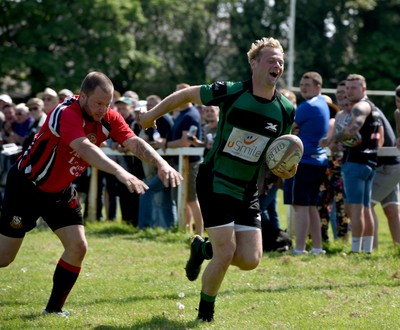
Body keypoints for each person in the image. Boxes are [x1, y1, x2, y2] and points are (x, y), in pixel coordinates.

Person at [0, 71, 182, 316]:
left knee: (78, 247)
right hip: (27, 187)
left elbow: (133, 141)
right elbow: (84, 148)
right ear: (82, 96)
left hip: (60, 191)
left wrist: (162, 163)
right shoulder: (65, 112)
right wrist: (121, 172)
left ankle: (53, 311)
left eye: (107, 104)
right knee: (4, 258)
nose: (103, 109)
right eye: (98, 103)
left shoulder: (108, 116)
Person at [140, 37, 296, 322]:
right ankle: (205, 316)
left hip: (247, 188)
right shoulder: (232, 92)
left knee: (250, 260)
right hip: (216, 180)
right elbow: (187, 94)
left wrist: (284, 168)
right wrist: (152, 114)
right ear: (254, 63)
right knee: (226, 252)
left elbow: (277, 152)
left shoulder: (285, 109)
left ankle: (202, 248)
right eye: (271, 59)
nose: (277, 65)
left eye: (281, 61)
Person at [320, 73, 383, 254]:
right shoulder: (373, 107)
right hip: (370, 162)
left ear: (364, 89)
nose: (349, 91)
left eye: (353, 87)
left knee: (356, 209)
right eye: (347, 88)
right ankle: (367, 249)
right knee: (364, 208)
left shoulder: (361, 106)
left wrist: (330, 140)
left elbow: (351, 130)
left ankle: (356, 250)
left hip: (356, 162)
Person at [283, 72, 329, 255]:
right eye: (301, 84)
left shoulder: (307, 106)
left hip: (305, 161)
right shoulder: (324, 104)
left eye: (307, 85)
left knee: (300, 206)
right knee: (311, 207)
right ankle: (317, 248)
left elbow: (287, 125)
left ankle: (299, 248)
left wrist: (293, 127)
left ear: (318, 87)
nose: (303, 87)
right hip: (319, 161)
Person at [164, 83, 204, 236]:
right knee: (185, 199)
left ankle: (199, 233)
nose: (177, 98)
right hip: (182, 162)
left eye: (180, 94)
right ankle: (186, 230)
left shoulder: (191, 115)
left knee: (192, 199)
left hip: (191, 163)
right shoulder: (182, 113)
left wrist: (165, 144)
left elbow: (185, 141)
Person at [138, 94, 177, 229]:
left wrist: (152, 144)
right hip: (162, 165)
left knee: (146, 191)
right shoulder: (151, 121)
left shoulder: (164, 119)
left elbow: (164, 143)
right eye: (148, 106)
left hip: (170, 165)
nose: (150, 108)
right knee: (166, 198)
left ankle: (145, 227)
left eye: (153, 105)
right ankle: (171, 227)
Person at [370, 86, 400, 248]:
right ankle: (398, 247)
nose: (399, 104)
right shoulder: (397, 113)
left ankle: (370, 248)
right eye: (397, 101)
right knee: (392, 209)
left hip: (391, 167)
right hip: (392, 163)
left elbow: (379, 141)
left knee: (367, 205)